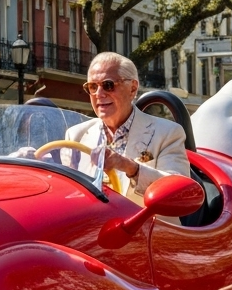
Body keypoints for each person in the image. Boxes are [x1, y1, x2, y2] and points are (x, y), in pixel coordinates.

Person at [65, 52, 190, 202]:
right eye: (92, 86)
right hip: (91, 223)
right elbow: (64, 191)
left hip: (147, 224)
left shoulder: (168, 133)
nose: (99, 94)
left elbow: (181, 192)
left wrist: (131, 168)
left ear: (132, 88)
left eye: (108, 85)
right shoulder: (76, 135)